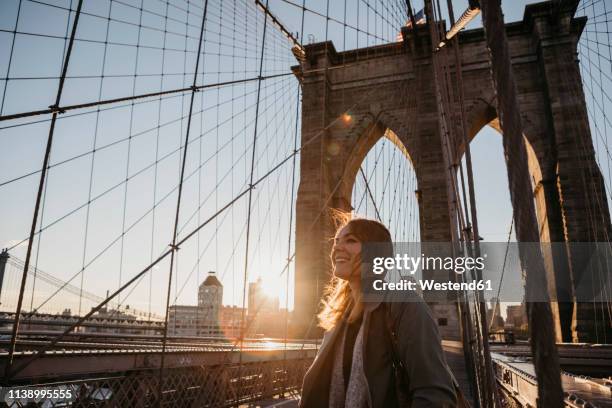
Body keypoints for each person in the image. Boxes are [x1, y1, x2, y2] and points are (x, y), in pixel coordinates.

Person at [298, 217, 457, 408]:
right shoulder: (339, 317)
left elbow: (435, 395)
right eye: (336, 241)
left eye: (350, 240)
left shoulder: (404, 305)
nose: (337, 248)